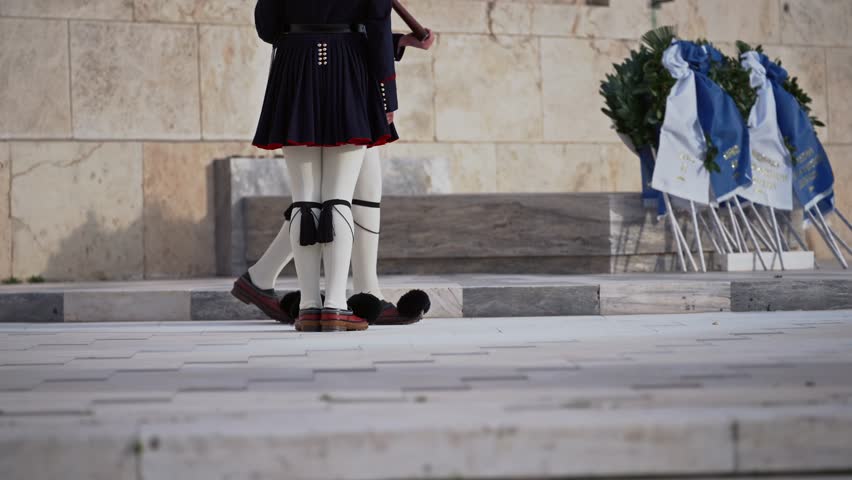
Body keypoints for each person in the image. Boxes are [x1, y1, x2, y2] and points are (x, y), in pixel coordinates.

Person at [232, 0, 399, 333]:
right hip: (348, 64)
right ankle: (335, 305)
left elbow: (267, 26)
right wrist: (387, 95)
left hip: (295, 64)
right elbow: (377, 24)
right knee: (338, 195)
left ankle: (309, 307)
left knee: (305, 198)